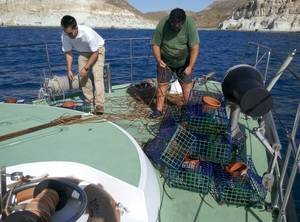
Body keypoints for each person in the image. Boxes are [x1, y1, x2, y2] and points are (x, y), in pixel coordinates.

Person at [150, 8, 200, 118]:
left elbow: (195, 47)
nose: (175, 26)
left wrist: (190, 66)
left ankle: (189, 109)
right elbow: (155, 44)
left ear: (183, 21)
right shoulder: (163, 23)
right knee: (162, 86)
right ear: (170, 20)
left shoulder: (190, 24)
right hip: (165, 61)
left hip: (184, 62)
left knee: (187, 87)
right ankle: (158, 110)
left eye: (178, 25)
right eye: (173, 24)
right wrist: (159, 60)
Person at [60, 15, 105, 114]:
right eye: (67, 33)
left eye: (71, 33)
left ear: (75, 28)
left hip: (97, 50)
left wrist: (87, 67)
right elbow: (68, 52)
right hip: (83, 52)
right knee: (82, 76)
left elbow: (95, 52)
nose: (69, 36)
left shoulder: (87, 33)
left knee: (98, 77)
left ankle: (99, 104)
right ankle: (90, 99)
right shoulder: (65, 35)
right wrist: (69, 70)